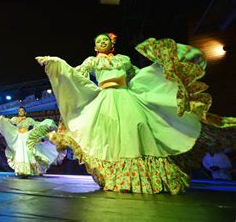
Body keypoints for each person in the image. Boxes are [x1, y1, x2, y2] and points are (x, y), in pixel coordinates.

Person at [36, 33, 235, 194]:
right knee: (113, 137)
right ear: (95, 47)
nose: (102, 42)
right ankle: (119, 178)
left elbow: (138, 74)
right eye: (98, 41)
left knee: (137, 130)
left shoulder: (124, 60)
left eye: (105, 39)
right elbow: (74, 75)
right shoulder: (91, 62)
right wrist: (56, 63)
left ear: (111, 44)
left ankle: (149, 178)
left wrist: (164, 70)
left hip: (127, 97)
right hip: (106, 100)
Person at [0, 107, 59, 178]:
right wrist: (1, 120)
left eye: (22, 111)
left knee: (27, 152)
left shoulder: (29, 119)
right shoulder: (15, 119)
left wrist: (37, 135)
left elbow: (35, 124)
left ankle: (28, 171)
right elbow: (8, 123)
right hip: (18, 137)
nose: (20, 112)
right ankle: (21, 171)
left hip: (26, 136)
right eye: (19, 111)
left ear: (25, 112)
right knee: (19, 153)